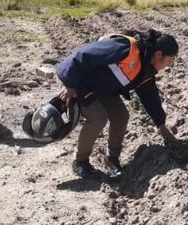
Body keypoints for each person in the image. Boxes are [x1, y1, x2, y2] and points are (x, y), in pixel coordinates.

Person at [56, 29, 179, 179]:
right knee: (98, 119)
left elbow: (149, 96)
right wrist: (69, 83)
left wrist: (161, 124)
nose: (170, 64)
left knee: (121, 116)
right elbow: (83, 55)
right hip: (78, 82)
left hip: (100, 88)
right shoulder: (126, 49)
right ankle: (80, 162)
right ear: (159, 55)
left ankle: (112, 159)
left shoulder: (147, 66)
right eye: (170, 60)